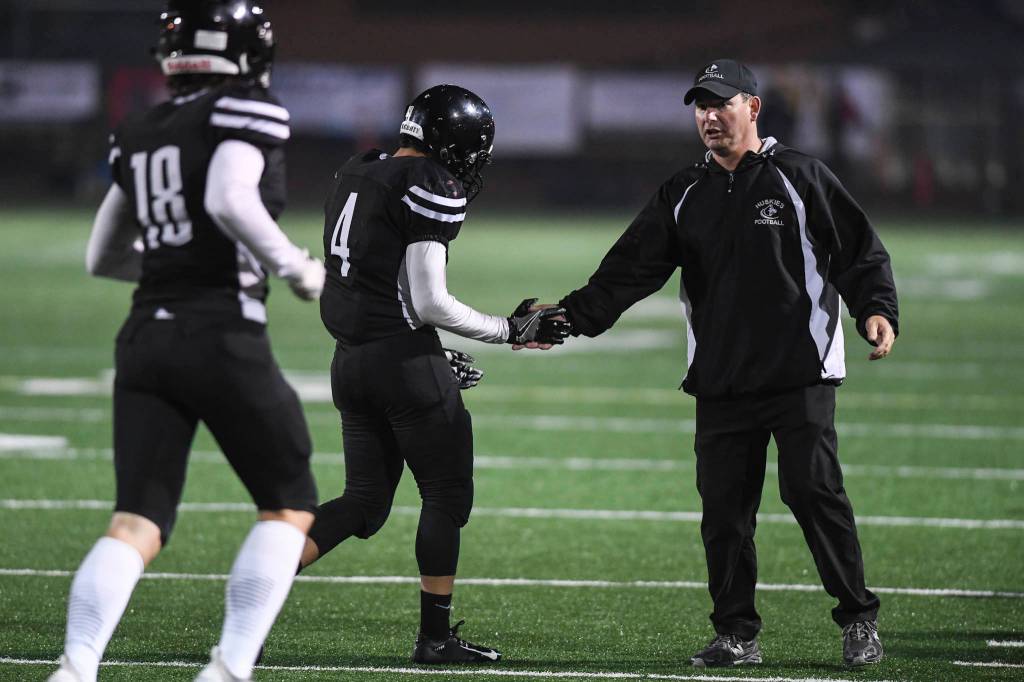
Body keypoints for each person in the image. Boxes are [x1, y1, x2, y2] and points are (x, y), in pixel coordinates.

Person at [536, 59, 898, 668]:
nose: (709, 116)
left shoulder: (801, 176)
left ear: (752, 108)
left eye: (721, 104)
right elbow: (628, 272)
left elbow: (858, 250)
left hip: (799, 372)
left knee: (813, 493)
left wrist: (876, 308)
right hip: (722, 380)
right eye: (701, 106)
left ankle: (858, 620)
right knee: (725, 515)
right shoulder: (683, 193)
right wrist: (569, 318)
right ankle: (737, 634)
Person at [48, 3, 325, 681]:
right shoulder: (245, 108)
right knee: (289, 505)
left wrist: (178, 263)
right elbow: (231, 199)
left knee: (135, 523)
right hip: (220, 331)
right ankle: (228, 669)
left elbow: (103, 257)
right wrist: (295, 267)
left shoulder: (140, 128)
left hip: (144, 335)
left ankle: (75, 667)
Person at [299, 84, 570, 665]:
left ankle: (253, 592)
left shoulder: (358, 169)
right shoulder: (430, 183)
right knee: (447, 496)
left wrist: (422, 349)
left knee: (365, 502)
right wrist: (508, 330)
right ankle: (434, 639)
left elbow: (372, 284)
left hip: (351, 359)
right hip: (400, 363)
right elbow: (429, 301)